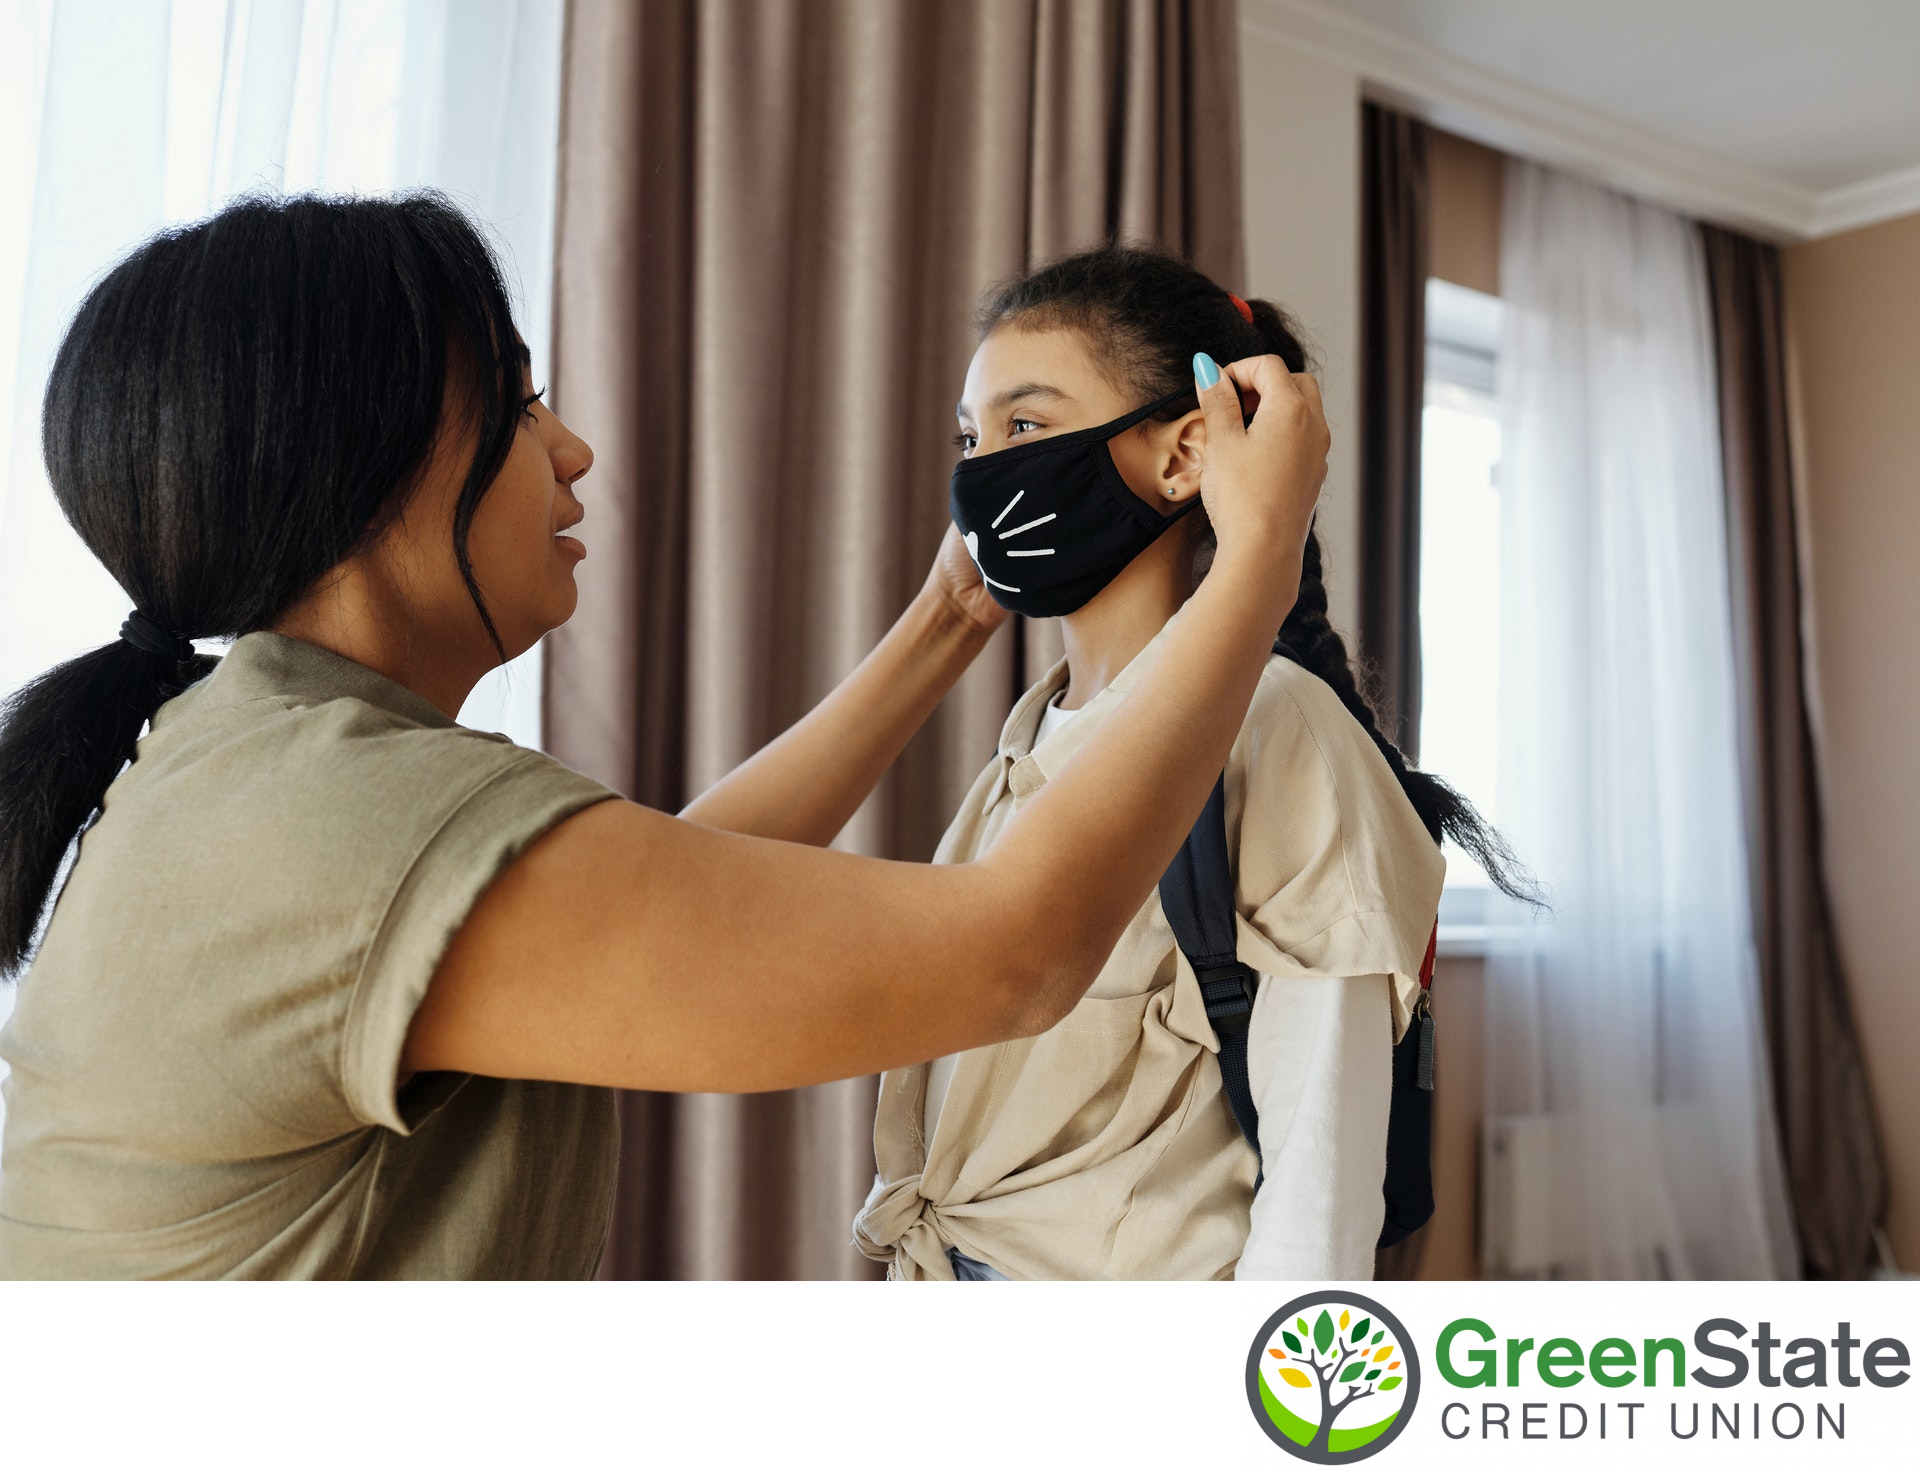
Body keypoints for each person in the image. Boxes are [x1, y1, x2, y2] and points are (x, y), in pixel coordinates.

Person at [0, 196, 1327, 1279]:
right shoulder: (330, 826)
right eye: (518, 409)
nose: (572, 451)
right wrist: (1258, 555)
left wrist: (942, 620)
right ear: (366, 468)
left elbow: (676, 886)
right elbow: (1017, 955)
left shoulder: (254, 766)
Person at [853, 246, 1531, 1281]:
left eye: (1024, 427)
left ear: (1183, 457)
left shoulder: (1281, 731)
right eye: (970, 434)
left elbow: (1319, 1188)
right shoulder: (1028, 743)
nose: (982, 472)